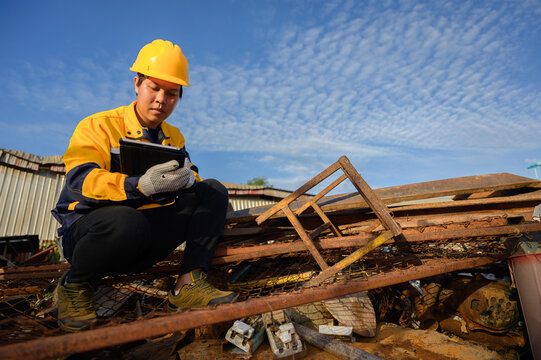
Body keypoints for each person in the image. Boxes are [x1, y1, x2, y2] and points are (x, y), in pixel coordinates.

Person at [51, 39, 237, 332]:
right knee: (126, 220)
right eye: (154, 88)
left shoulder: (173, 136)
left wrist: (190, 179)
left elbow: (193, 178)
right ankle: (74, 286)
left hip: (145, 238)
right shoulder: (98, 125)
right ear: (136, 84)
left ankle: (187, 285)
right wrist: (138, 185)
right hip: (91, 234)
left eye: (172, 93)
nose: (162, 99)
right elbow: (79, 180)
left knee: (211, 190)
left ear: (179, 97)